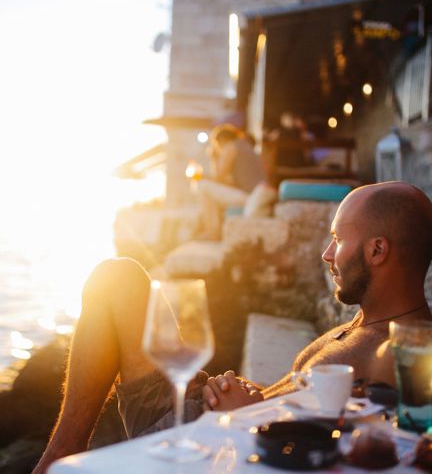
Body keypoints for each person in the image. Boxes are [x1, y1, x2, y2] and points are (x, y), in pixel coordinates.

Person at [32, 181, 432, 473]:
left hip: (211, 439)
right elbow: (302, 399)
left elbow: (362, 441)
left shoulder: (402, 350)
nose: (327, 254)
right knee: (118, 277)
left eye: (337, 240)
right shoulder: (363, 324)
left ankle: (56, 460)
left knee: (114, 278)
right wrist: (250, 395)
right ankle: (62, 454)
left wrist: (253, 418)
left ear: (377, 250)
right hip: (214, 411)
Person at [194, 123, 264, 240]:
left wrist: (214, 158)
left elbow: (219, 178)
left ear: (221, 140)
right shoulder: (246, 147)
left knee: (202, 186)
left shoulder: (231, 147)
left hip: (250, 197)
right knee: (209, 191)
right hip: (257, 195)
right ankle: (210, 229)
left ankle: (213, 231)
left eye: (216, 144)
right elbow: (229, 182)